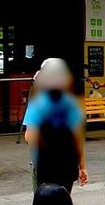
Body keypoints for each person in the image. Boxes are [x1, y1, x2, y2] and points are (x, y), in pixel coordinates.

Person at [23, 58, 87, 192]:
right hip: (68, 164)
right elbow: (78, 139)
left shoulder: (37, 103)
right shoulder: (72, 103)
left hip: (44, 164)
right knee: (63, 204)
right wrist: (82, 167)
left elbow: (29, 137)